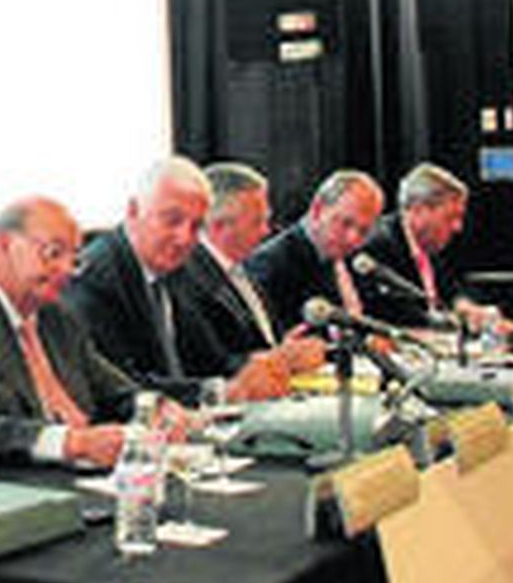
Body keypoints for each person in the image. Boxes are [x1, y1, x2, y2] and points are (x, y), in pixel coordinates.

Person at [0, 196, 142, 468]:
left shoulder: (57, 315)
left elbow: (114, 389)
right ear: (5, 244)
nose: (66, 270)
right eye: (53, 253)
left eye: (74, 259)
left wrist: (155, 409)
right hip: (18, 484)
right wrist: (67, 443)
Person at [63, 157, 291, 404]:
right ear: (133, 211)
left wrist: (258, 365)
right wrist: (220, 392)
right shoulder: (96, 279)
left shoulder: (178, 268)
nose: (184, 238)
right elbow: (121, 388)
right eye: (172, 220)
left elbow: (209, 359)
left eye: (195, 226)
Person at [188, 163, 324, 373]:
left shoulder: (241, 269)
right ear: (219, 225)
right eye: (257, 222)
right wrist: (280, 359)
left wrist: (286, 348)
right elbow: (207, 366)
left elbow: (264, 344)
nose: (266, 231)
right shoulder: (190, 279)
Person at [244, 169, 385, 335]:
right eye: (345, 223)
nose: (353, 239)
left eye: (364, 230)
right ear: (318, 210)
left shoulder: (354, 259)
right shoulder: (273, 264)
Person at [358, 162, 487, 328]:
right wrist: (450, 321)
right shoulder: (379, 245)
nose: (458, 227)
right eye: (450, 217)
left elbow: (451, 289)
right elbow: (394, 312)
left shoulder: (430, 244)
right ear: (419, 210)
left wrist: (464, 307)